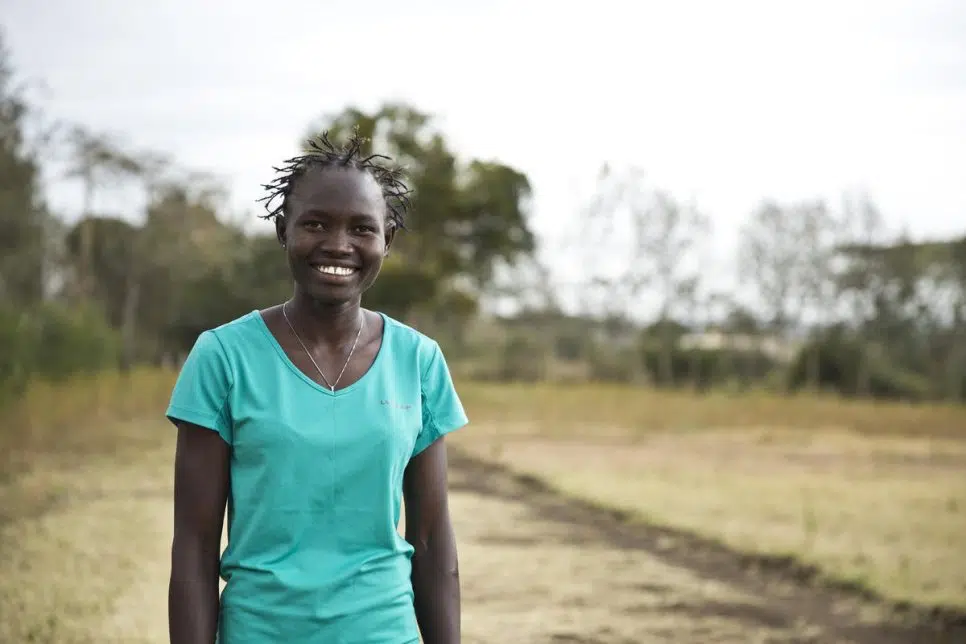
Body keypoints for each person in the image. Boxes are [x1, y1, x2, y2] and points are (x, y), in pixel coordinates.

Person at [165, 131, 468, 643]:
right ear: (283, 231)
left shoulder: (418, 360)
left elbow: (433, 541)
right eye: (316, 224)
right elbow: (193, 547)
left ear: (386, 241)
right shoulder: (223, 357)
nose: (338, 245)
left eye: (361, 229)